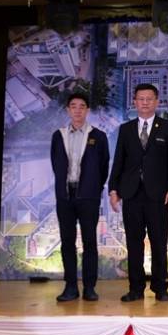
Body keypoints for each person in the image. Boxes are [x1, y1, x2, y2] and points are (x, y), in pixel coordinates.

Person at [109, 83, 168, 302]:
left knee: (159, 243)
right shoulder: (126, 129)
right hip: (131, 194)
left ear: (157, 101)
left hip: (158, 195)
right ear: (135, 102)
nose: (145, 102)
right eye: (141, 99)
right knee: (134, 243)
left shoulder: (167, 127)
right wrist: (113, 189)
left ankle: (160, 288)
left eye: (149, 99)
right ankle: (136, 288)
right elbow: (118, 161)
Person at [51, 93, 109, 302]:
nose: (77, 110)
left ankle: (89, 287)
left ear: (87, 110)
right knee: (67, 242)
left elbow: (103, 167)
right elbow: (55, 163)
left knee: (89, 241)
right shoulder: (58, 135)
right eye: (73, 106)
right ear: (68, 110)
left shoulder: (98, 136)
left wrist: (94, 187)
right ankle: (70, 287)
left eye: (82, 106)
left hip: (88, 197)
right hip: (65, 196)